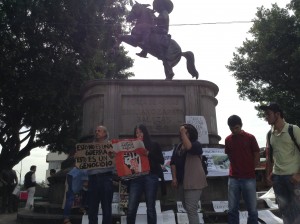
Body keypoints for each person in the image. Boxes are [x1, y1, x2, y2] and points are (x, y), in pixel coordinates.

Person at [259, 102, 300, 224]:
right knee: (284, 211)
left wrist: (298, 174)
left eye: (268, 114)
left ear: (277, 114)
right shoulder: (269, 134)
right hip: (278, 178)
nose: (266, 117)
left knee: (297, 211)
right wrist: (270, 173)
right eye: (265, 114)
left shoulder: (293, 130)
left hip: (293, 178)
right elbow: (270, 156)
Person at [225, 115, 260, 224]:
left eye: (236, 128)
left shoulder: (250, 138)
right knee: (232, 209)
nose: (234, 131)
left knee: (252, 209)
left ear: (241, 125)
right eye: (231, 129)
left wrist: (251, 168)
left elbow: (256, 154)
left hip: (249, 177)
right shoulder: (228, 139)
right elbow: (229, 155)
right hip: (233, 177)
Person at [126, 124, 164, 224]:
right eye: (136, 133)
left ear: (145, 133)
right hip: (136, 178)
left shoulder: (154, 144)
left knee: (150, 208)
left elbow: (161, 160)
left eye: (140, 132)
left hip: (151, 177)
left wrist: (149, 154)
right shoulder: (131, 147)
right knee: (131, 209)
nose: (138, 134)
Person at [170, 123, 207, 224]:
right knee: (187, 207)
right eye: (182, 132)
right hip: (182, 182)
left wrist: (182, 131)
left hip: (194, 182)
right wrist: (174, 178)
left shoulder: (196, 144)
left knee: (191, 209)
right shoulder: (178, 146)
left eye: (186, 133)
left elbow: (189, 147)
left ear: (191, 134)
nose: (183, 134)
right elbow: (173, 162)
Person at [87, 125, 114, 224]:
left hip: (106, 178)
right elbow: (85, 164)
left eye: (99, 131)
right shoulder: (89, 147)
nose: (96, 132)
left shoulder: (111, 146)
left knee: (106, 208)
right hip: (93, 179)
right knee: (92, 208)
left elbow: (115, 162)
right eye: (96, 131)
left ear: (105, 133)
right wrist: (78, 158)